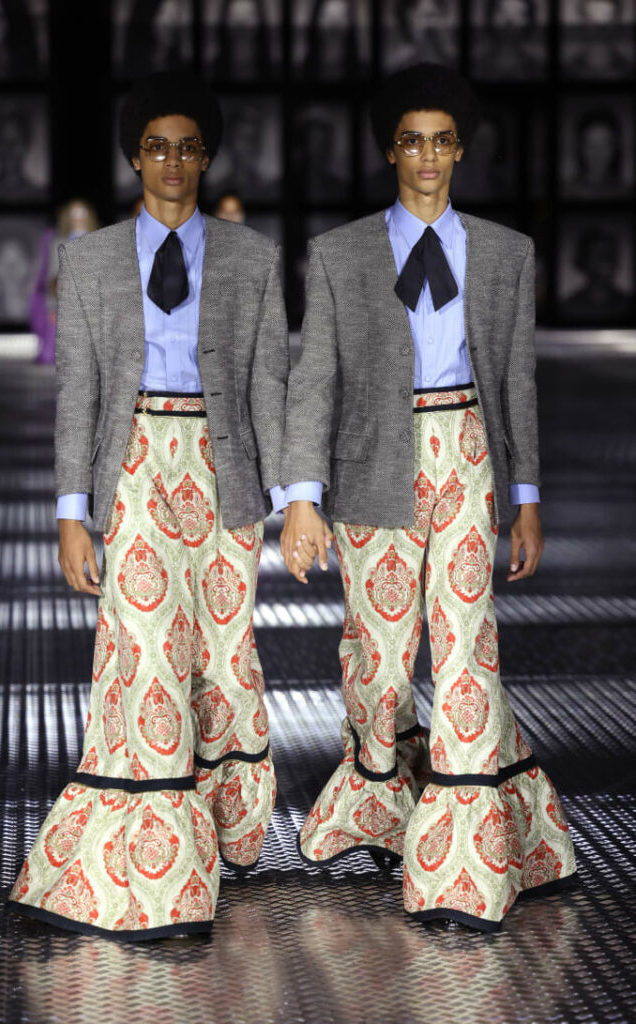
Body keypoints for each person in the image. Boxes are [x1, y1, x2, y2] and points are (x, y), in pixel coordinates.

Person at [279, 62, 577, 932]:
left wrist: (525, 497)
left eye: (443, 141)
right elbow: (314, 380)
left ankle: (466, 861)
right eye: (412, 141)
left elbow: (515, 383)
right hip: (373, 464)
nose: (428, 157)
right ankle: (379, 801)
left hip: (467, 453)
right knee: (376, 657)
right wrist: (302, 498)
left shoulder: (504, 254)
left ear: (460, 150)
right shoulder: (340, 254)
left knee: (466, 644)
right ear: (390, 150)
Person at [9, 70, 290, 940]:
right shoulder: (90, 259)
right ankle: (157, 879)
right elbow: (78, 391)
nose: (172, 161)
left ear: (206, 157)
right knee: (144, 652)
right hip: (132, 465)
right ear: (135, 158)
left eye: (187, 147)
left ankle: (225, 833)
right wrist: (71, 512)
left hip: (224, 471)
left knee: (222, 657)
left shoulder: (251, 256)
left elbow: (268, 382)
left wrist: (298, 499)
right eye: (156, 147)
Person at [31, 200, 99, 365]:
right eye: (74, 214)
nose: (78, 217)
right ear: (68, 217)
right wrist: (51, 307)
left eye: (82, 213)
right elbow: (52, 277)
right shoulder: (59, 242)